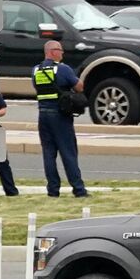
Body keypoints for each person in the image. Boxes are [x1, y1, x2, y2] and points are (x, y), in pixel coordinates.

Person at [35, 40, 88, 198]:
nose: (62, 53)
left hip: (43, 114)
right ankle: (78, 189)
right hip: (60, 116)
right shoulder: (63, 69)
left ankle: (53, 190)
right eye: (60, 50)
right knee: (68, 152)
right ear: (52, 51)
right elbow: (79, 87)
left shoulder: (36, 70)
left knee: (49, 153)